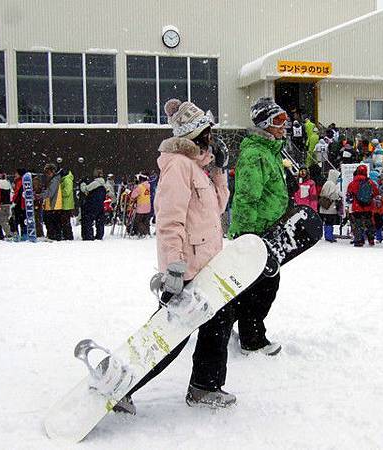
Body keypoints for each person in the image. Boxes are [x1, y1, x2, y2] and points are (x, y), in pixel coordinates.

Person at [120, 98, 232, 410]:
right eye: (207, 133)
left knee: (217, 322)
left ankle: (204, 386)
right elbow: (170, 220)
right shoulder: (178, 167)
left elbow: (217, 210)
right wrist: (173, 268)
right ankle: (121, 384)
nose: (212, 138)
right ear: (193, 137)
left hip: (207, 267)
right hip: (186, 270)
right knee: (167, 336)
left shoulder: (197, 169)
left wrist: (220, 171)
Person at [229, 97, 288, 356]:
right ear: (264, 124)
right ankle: (251, 339)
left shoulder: (270, 151)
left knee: (265, 285)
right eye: (278, 121)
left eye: (285, 119)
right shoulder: (255, 154)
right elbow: (245, 197)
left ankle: (246, 332)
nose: (284, 126)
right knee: (261, 287)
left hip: (268, 229)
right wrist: (247, 236)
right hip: (256, 233)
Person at [346, 164, 379, 247]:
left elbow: (349, 196)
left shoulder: (352, 183)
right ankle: (371, 239)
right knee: (369, 223)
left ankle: (359, 240)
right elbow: (376, 193)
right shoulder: (370, 182)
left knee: (358, 224)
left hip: (357, 207)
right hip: (368, 206)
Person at [80, 168, 107, 241]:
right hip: (100, 205)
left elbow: (85, 189)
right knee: (100, 221)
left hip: (92, 204)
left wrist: (82, 183)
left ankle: (88, 236)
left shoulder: (95, 183)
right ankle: (99, 235)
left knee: (88, 220)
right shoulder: (104, 184)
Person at [318, 169, 341, 242]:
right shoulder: (332, 184)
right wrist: (338, 196)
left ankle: (326, 235)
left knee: (326, 221)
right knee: (329, 222)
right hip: (330, 207)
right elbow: (333, 195)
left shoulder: (327, 183)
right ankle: (329, 236)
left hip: (324, 206)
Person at [42, 164, 64, 241]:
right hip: (51, 206)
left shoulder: (55, 180)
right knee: (52, 222)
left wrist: (41, 195)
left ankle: (54, 236)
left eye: (48, 172)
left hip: (54, 205)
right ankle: (53, 235)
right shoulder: (53, 179)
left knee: (53, 223)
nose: (47, 174)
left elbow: (50, 192)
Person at [129, 173, 151, 238]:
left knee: (138, 221)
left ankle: (143, 232)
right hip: (148, 206)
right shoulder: (148, 186)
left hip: (141, 207)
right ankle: (147, 232)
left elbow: (133, 195)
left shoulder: (140, 187)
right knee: (146, 221)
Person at [11, 168, 27, 240]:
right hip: (21, 204)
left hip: (19, 204)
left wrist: (14, 201)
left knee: (17, 220)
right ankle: (23, 234)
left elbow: (18, 193)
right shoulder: (19, 181)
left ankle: (18, 235)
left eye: (16, 173)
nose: (15, 175)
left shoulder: (20, 182)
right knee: (21, 220)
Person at [60, 167, 75, 240]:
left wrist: (59, 193)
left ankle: (68, 236)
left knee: (66, 221)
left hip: (66, 204)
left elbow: (67, 191)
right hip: (66, 204)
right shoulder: (66, 179)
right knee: (65, 221)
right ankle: (67, 235)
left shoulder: (67, 180)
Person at [0, 173, 13, 238]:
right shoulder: (8, 183)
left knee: (1, 220)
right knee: (6, 219)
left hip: (2, 204)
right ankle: (9, 232)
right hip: (8, 203)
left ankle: (8, 233)